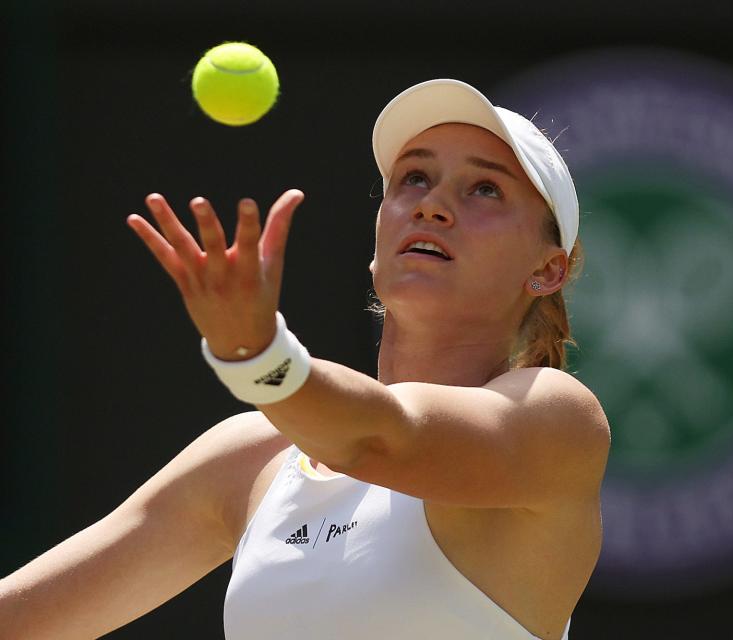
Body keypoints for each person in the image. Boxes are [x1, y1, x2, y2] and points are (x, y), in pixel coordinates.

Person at [0, 79, 609, 639]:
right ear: (377, 246)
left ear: (547, 270)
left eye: (485, 188)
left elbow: (381, 439)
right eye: (414, 179)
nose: (432, 205)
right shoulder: (249, 457)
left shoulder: (555, 418)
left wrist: (257, 355)